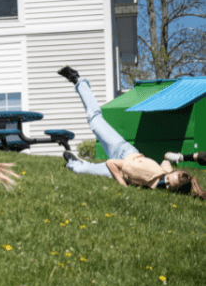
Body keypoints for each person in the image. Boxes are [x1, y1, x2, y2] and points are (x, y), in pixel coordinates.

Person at [58, 66, 206, 198]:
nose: (163, 184)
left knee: (79, 169)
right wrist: (123, 185)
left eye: (168, 186)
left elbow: (166, 161)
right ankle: (79, 81)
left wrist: (171, 167)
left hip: (127, 158)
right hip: (122, 152)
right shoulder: (144, 172)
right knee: (95, 120)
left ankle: (75, 162)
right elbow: (111, 163)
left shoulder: (164, 174)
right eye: (166, 181)